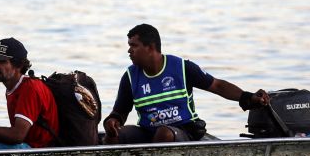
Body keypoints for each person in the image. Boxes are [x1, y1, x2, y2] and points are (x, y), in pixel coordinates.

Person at [102, 24, 269, 144]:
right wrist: (112, 121)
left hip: (183, 131)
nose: (129, 51)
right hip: (148, 132)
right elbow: (120, 111)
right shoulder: (130, 76)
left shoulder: (181, 67)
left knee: (164, 134)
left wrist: (247, 97)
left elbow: (217, 85)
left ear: (150, 47)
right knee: (114, 135)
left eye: (134, 46)